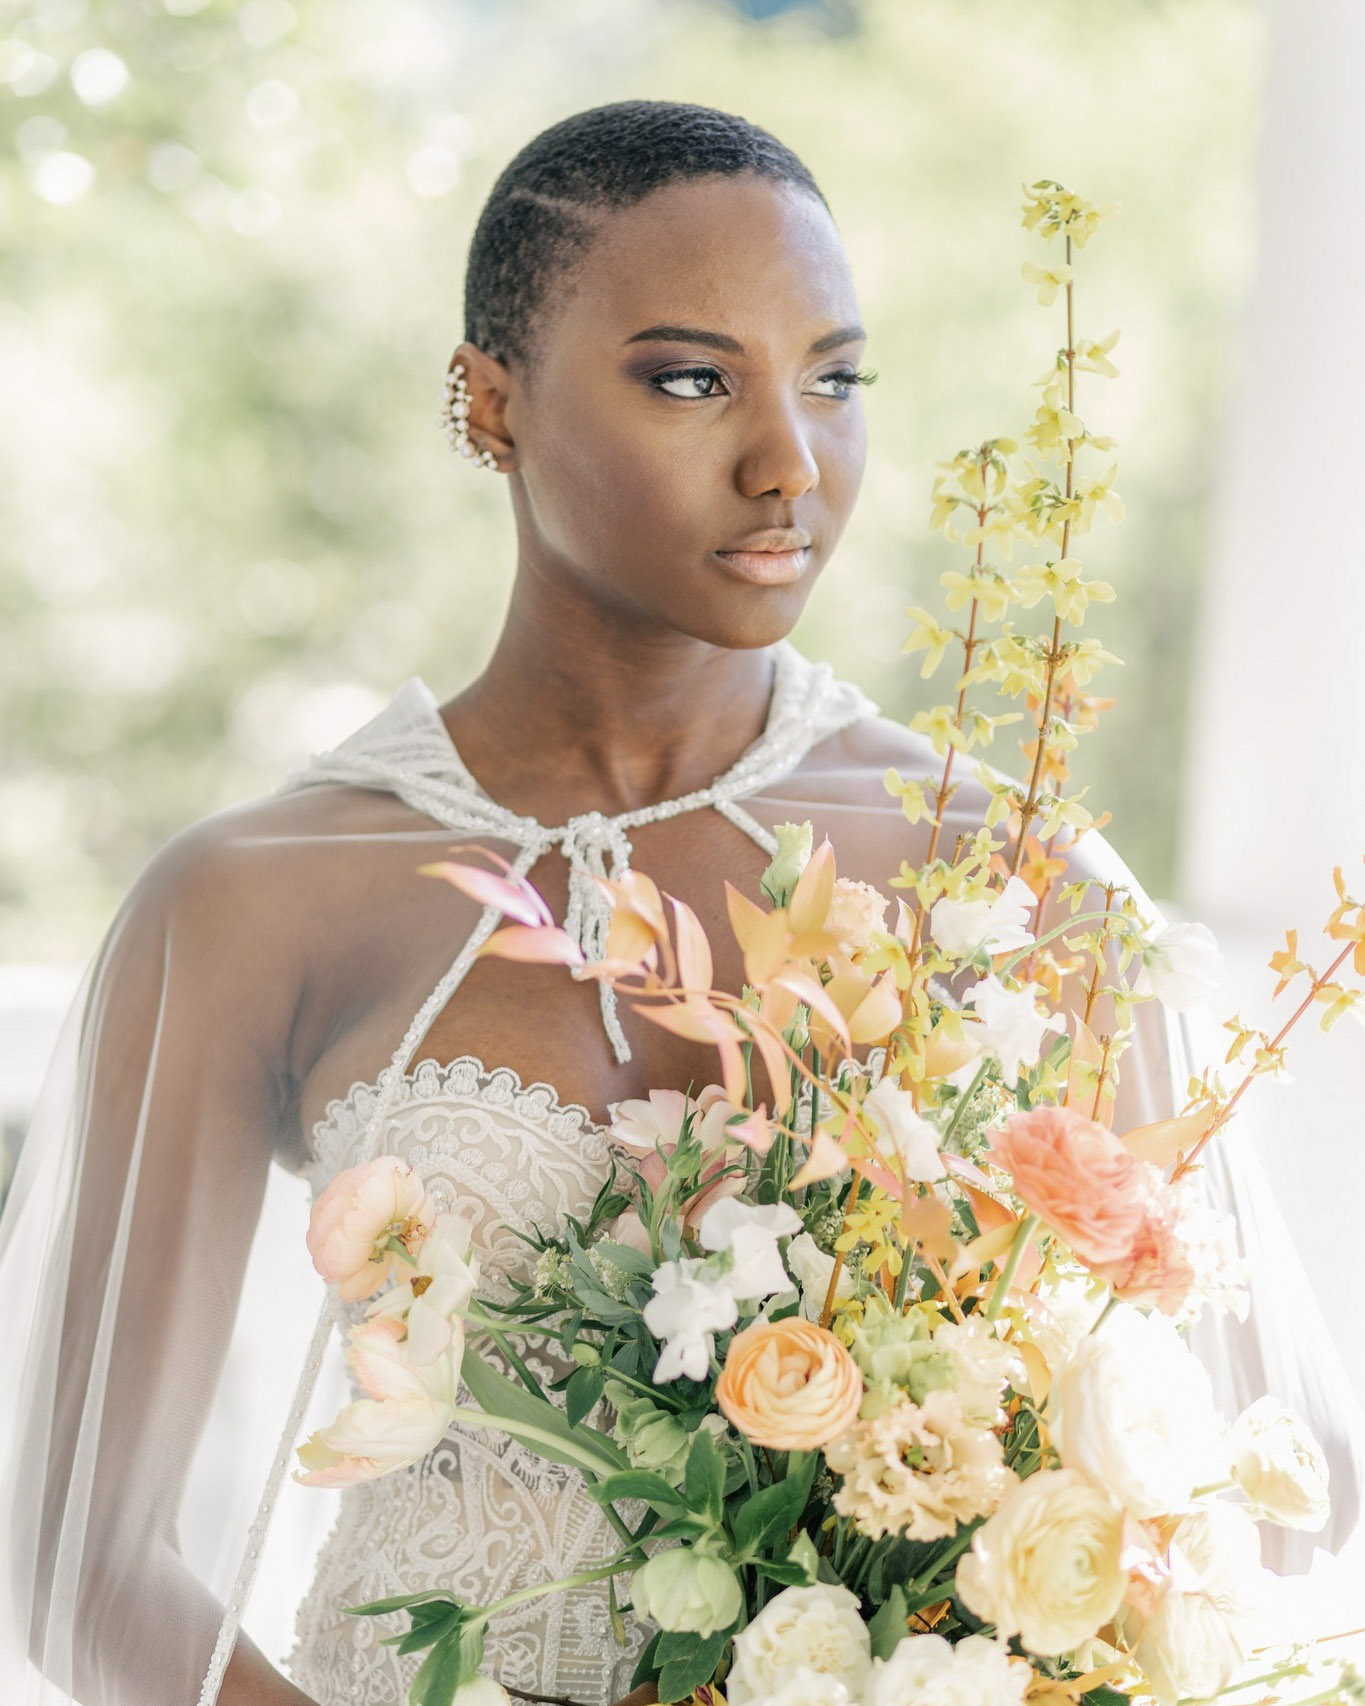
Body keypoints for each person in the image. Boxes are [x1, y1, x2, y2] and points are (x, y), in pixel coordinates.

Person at [1, 99, 1359, 1706]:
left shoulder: (1010, 882)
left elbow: (1273, 1484)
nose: (789, 458)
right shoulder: (252, 900)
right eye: (691, 379)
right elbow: (82, 1552)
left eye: (834, 379)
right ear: (488, 403)